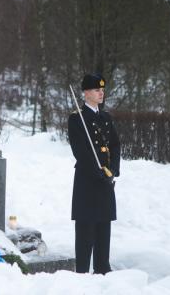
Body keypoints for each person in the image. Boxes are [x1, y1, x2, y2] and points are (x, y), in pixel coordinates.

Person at [68, 73, 120, 274]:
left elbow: (115, 145)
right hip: (88, 182)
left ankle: (102, 269)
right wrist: (100, 173)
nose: (101, 93)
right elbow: (81, 151)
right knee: (86, 231)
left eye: (102, 90)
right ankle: (81, 275)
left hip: (106, 182)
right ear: (86, 93)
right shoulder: (77, 119)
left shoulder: (105, 117)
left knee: (103, 229)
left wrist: (113, 170)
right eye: (97, 90)